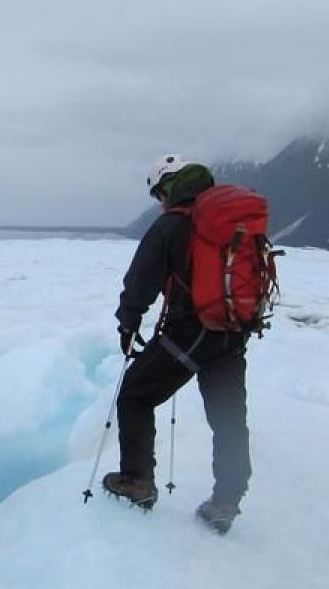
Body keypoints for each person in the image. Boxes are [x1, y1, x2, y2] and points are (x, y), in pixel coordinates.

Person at [101, 154, 252, 534]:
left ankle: (137, 481)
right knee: (228, 417)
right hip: (232, 332)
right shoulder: (231, 222)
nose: (160, 201)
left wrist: (128, 321)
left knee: (135, 394)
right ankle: (226, 501)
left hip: (190, 333)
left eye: (159, 194)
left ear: (168, 187)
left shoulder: (173, 224)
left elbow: (141, 280)